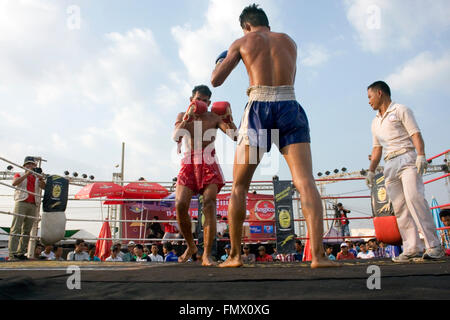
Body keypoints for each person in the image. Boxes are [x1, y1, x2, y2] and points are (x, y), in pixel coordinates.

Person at [211, 4, 335, 268]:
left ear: (246, 26)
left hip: (259, 105)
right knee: (305, 182)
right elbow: (289, 75)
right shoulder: (288, 41)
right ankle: (320, 256)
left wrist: (221, 60)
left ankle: (234, 256)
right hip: (290, 103)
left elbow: (216, 80)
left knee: (240, 185)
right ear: (266, 22)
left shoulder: (242, 41)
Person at [366, 81, 444, 261]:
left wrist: (421, 154)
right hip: (389, 163)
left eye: (370, 97)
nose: (368, 101)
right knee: (400, 207)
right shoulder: (375, 122)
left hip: (407, 158)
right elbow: (377, 148)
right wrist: (371, 171)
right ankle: (412, 248)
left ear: (379, 93)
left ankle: (434, 245)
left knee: (414, 198)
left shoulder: (401, 110)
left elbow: (415, 133)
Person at [172, 84, 237, 266]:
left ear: (209, 103)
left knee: (209, 203)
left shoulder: (214, 117)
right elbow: (176, 136)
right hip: (188, 163)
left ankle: (206, 254)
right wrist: (188, 116)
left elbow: (235, 136)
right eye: (199, 99)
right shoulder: (182, 115)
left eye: (206, 101)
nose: (202, 103)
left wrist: (229, 117)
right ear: (192, 100)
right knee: (180, 204)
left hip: (209, 161)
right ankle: (191, 246)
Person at [9, 156, 46, 260]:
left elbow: (44, 187)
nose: (31, 166)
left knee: (27, 230)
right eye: (28, 164)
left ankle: (21, 252)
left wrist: (40, 178)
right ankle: (12, 253)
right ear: (24, 166)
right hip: (21, 202)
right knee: (16, 227)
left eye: (32, 164)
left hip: (33, 203)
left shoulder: (37, 176)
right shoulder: (19, 174)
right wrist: (27, 174)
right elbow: (14, 183)